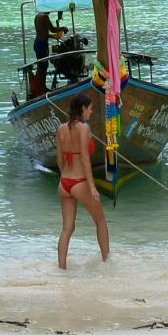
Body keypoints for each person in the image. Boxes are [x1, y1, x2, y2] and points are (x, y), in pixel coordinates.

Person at [54, 93, 109, 269]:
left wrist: (65, 175)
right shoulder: (84, 128)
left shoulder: (61, 128)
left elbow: (59, 160)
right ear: (83, 108)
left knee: (67, 228)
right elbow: (85, 159)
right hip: (79, 181)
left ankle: (61, 268)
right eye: (90, 108)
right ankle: (107, 263)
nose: (91, 112)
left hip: (64, 183)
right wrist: (92, 188)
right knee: (100, 221)